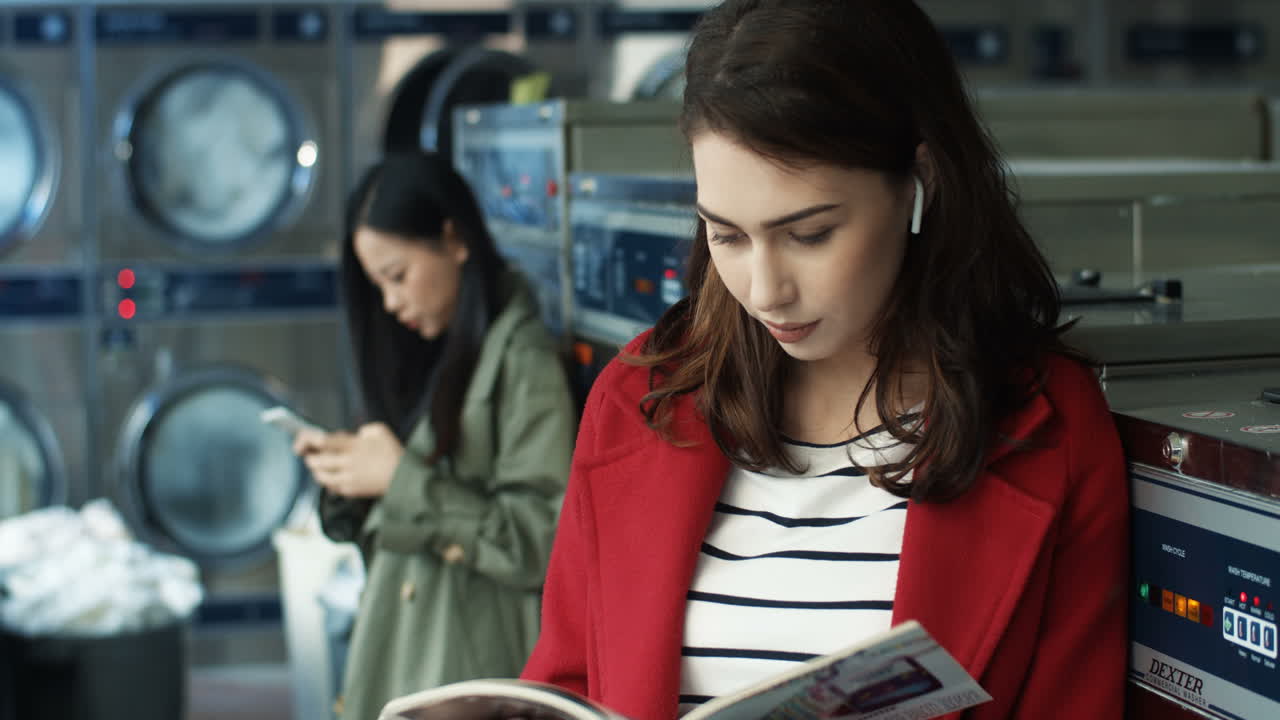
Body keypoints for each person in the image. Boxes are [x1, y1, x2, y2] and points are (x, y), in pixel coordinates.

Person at [521, 1, 1128, 719]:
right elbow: (568, 686)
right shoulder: (638, 401)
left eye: (808, 234)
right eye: (727, 236)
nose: (765, 290)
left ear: (917, 183)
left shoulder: (1051, 430)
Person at [294, 150, 576, 720]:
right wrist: (353, 479)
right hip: (422, 662)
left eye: (397, 277)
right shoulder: (446, 351)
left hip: (466, 677)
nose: (392, 303)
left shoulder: (522, 360)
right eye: (378, 287)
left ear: (455, 240)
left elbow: (543, 541)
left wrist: (401, 480)